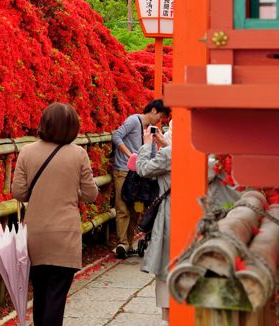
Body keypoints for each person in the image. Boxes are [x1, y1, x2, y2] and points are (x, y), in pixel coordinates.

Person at [12, 103, 99, 326]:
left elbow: (19, 193)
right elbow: (91, 194)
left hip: (35, 234)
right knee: (56, 296)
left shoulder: (27, 152)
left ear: (44, 123)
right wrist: (70, 191)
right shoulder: (79, 154)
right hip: (65, 235)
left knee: (39, 293)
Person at [111, 98, 170, 258]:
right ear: (153, 111)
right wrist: (130, 155)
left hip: (140, 172)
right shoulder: (133, 120)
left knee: (135, 207)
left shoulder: (150, 129)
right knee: (123, 205)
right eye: (161, 116)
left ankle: (129, 243)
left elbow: (150, 150)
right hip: (124, 169)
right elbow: (117, 136)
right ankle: (122, 243)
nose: (160, 120)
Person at [136, 121, 172, 322]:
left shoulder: (168, 154)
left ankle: (168, 317)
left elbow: (143, 169)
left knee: (165, 267)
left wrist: (146, 144)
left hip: (170, 215)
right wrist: (164, 143)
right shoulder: (208, 154)